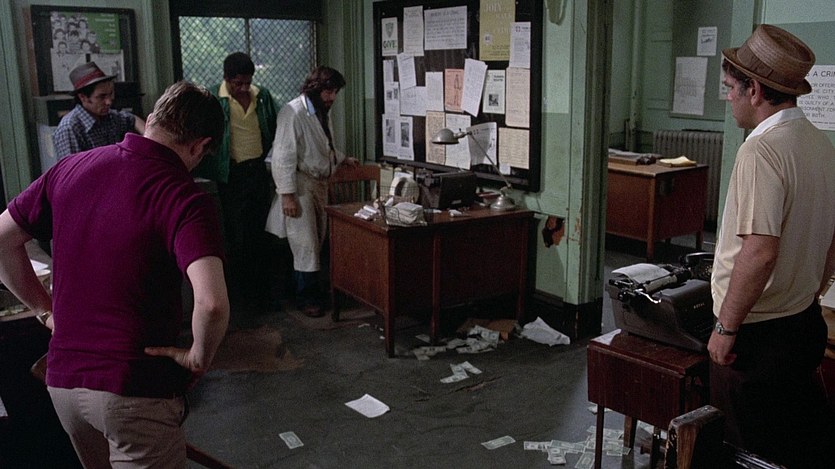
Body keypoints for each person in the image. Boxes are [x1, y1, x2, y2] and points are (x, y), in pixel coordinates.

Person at [0, 81, 230, 467]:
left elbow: (2, 240)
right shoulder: (184, 197)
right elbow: (211, 304)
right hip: (133, 388)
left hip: (64, 382)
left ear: (152, 119)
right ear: (200, 146)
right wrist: (198, 356)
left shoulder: (70, 168)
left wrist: (45, 310)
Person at [709, 24, 835, 467]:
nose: (728, 98)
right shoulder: (821, 145)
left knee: (755, 454)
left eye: (730, 88)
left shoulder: (761, 150)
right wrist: (812, 289)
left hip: (758, 340)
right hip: (803, 324)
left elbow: (760, 251)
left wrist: (726, 329)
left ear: (755, 90)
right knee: (796, 444)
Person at [265, 66, 358, 317]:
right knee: (305, 244)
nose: (332, 97)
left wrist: (342, 158)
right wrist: (287, 195)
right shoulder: (293, 112)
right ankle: (306, 298)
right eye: (328, 91)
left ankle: (313, 292)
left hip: (318, 184)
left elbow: (322, 146)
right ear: (315, 89)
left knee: (316, 241)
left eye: (335, 92)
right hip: (300, 186)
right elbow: (283, 156)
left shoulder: (320, 112)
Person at [192, 52, 278, 311]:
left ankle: (263, 296)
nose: (243, 88)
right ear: (226, 78)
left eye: (247, 82)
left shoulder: (262, 96)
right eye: (237, 83)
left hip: (258, 171)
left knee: (261, 232)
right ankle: (241, 299)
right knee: (237, 236)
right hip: (232, 174)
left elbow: (274, 126)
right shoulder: (212, 98)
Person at [53, 61, 145, 159]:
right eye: (101, 97)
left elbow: (132, 119)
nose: (109, 102)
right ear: (83, 97)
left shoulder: (111, 117)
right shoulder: (70, 129)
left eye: (110, 94)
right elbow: (71, 167)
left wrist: (148, 137)